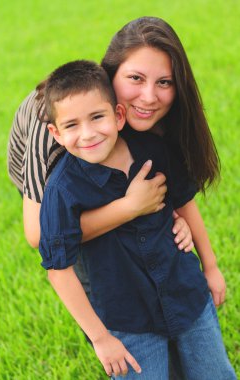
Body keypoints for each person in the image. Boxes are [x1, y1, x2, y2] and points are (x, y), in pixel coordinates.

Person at [38, 59, 236, 380]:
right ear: (56, 133)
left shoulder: (152, 149)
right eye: (72, 125)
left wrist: (211, 267)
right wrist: (101, 338)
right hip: (127, 321)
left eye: (97, 117)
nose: (87, 134)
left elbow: (184, 204)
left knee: (215, 374)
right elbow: (58, 271)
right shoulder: (62, 190)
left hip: (186, 294)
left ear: (118, 116)